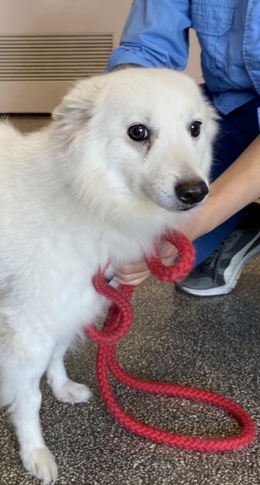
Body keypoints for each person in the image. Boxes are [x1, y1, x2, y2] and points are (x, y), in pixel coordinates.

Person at [105, 0, 260, 295]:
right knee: (134, 229)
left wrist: (195, 222)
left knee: (176, 226)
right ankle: (245, 223)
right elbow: (147, 50)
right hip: (231, 105)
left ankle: (229, 210)